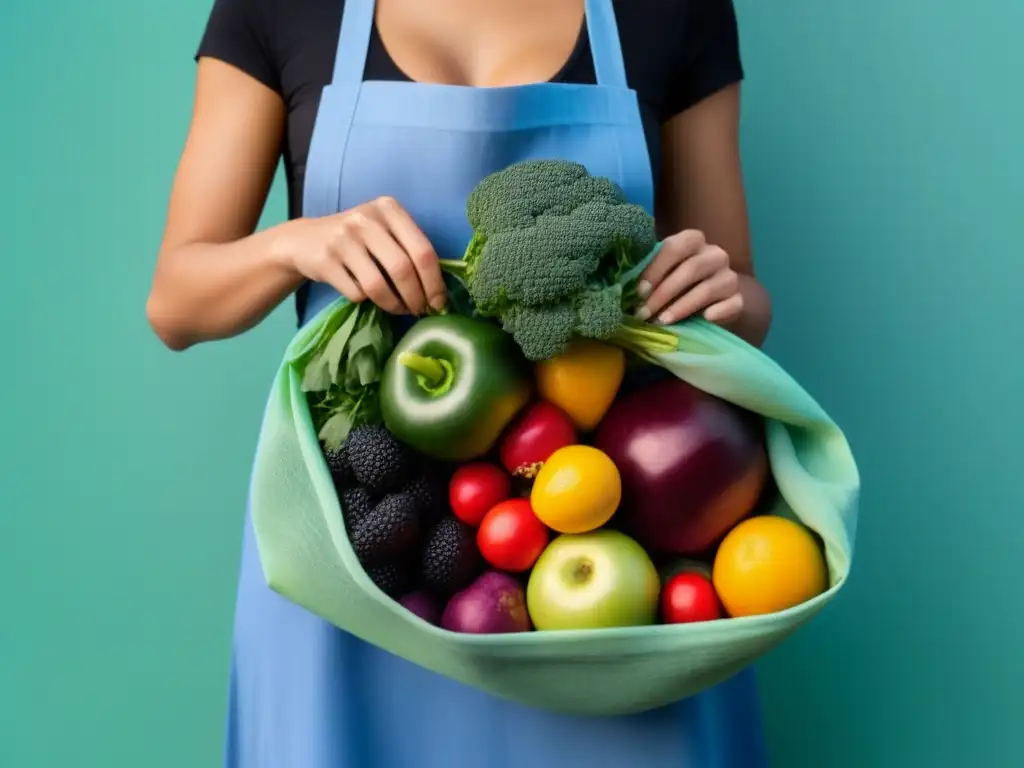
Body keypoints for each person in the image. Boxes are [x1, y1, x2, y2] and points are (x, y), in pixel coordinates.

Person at [147, 0, 775, 765]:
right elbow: (176, 302)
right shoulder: (281, 7)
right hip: (354, 540)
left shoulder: (670, 9)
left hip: (595, 521)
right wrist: (295, 246)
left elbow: (744, 299)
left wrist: (719, 288)